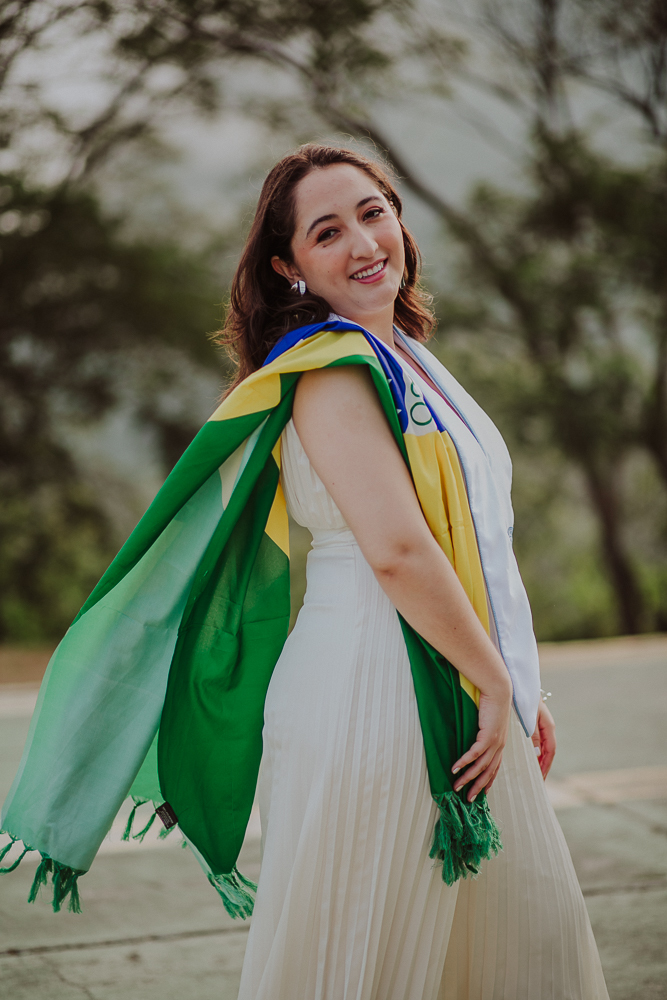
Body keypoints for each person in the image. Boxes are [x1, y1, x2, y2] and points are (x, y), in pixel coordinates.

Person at [221, 145, 610, 999]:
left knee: (517, 948)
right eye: (328, 231)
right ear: (289, 266)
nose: (364, 241)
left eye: (373, 211)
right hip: (372, 691)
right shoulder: (329, 372)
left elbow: (476, 537)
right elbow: (398, 552)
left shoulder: (408, 358)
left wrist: (516, 678)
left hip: (448, 670)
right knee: (367, 957)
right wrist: (492, 680)